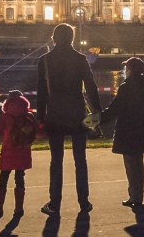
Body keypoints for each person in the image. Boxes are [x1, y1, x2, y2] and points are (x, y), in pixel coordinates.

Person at [35, 24, 102, 217]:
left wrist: (40, 117)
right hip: (77, 113)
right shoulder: (80, 59)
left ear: (54, 38)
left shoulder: (45, 60)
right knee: (80, 160)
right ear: (72, 38)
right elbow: (91, 86)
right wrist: (97, 111)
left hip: (55, 113)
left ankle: (55, 202)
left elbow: (41, 92)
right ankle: (84, 201)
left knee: (56, 160)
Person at [100, 57, 144, 209]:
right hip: (142, 130)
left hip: (128, 130)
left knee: (131, 164)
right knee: (138, 163)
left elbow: (115, 109)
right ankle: (138, 194)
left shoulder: (126, 88)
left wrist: (99, 119)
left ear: (130, 70)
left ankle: (135, 196)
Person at [0, 90, 38, 218]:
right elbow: (37, 132)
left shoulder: (6, 116)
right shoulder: (29, 116)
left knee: (3, 179)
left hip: (8, 152)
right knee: (20, 179)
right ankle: (18, 208)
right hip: (23, 152)